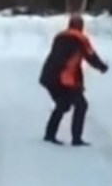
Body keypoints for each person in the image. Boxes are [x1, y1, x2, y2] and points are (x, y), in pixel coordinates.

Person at [39, 13, 108, 146]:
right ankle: (76, 139)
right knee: (81, 105)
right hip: (64, 78)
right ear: (81, 27)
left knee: (63, 104)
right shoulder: (80, 39)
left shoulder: (60, 36)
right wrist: (102, 67)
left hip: (48, 76)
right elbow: (90, 56)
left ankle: (50, 135)